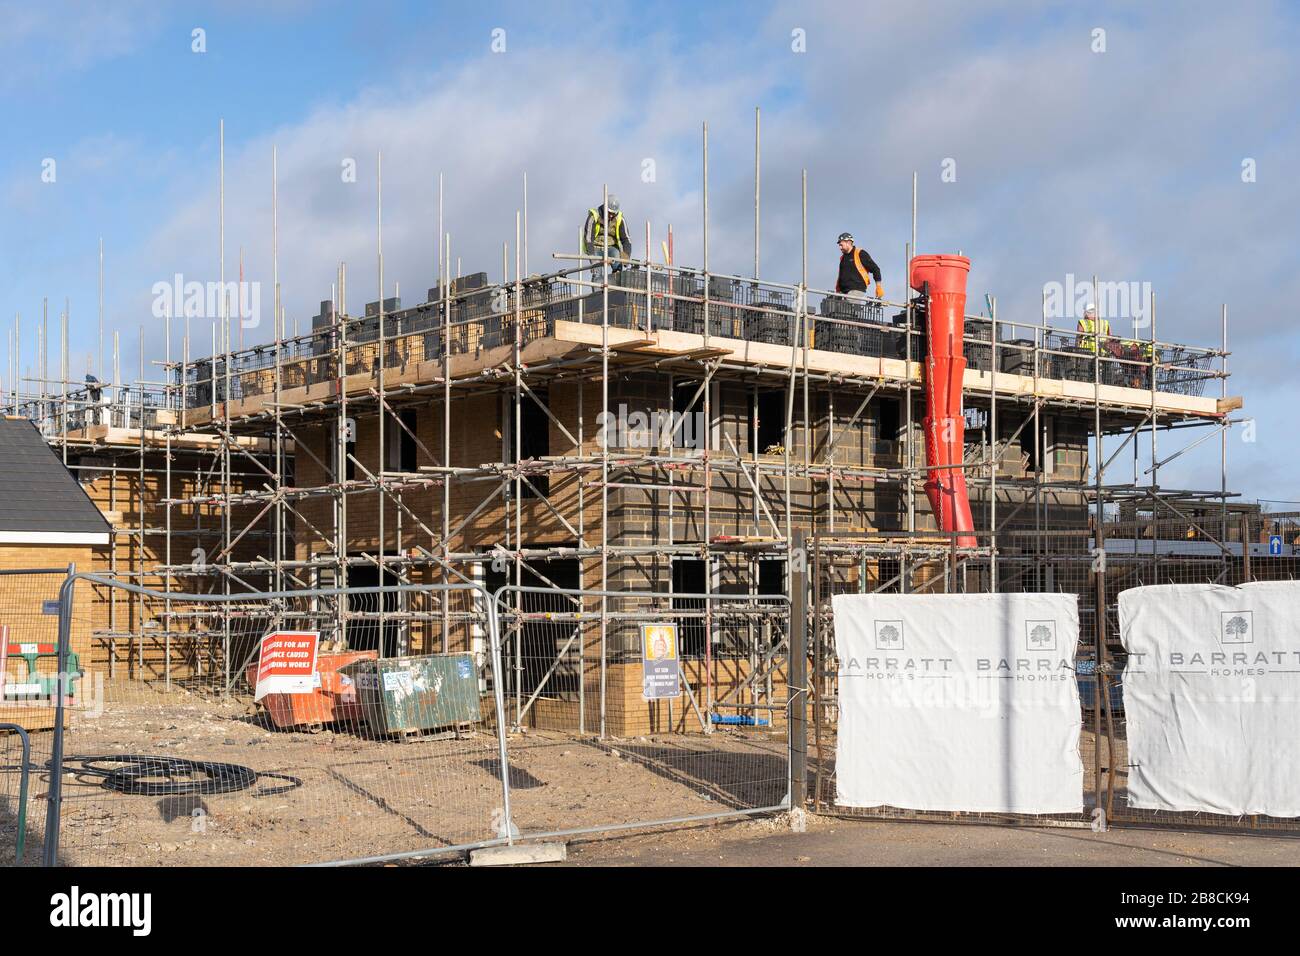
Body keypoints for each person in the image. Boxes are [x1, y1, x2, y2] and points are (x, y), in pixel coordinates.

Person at [583, 196, 632, 274]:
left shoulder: (620, 219)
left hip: (611, 248)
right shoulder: (594, 216)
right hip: (595, 247)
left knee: (617, 260)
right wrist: (593, 259)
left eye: (614, 213)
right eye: (609, 212)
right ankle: (597, 283)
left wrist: (626, 258)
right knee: (597, 269)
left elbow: (626, 239)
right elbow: (588, 239)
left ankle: (616, 279)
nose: (611, 215)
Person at [835, 232, 883, 300]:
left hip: (856, 289)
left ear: (848, 243)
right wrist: (837, 290)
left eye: (841, 245)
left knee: (849, 307)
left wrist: (878, 287)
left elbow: (875, 269)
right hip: (842, 291)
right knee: (832, 307)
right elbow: (841, 276)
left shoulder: (860, 253)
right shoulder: (843, 258)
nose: (840, 247)